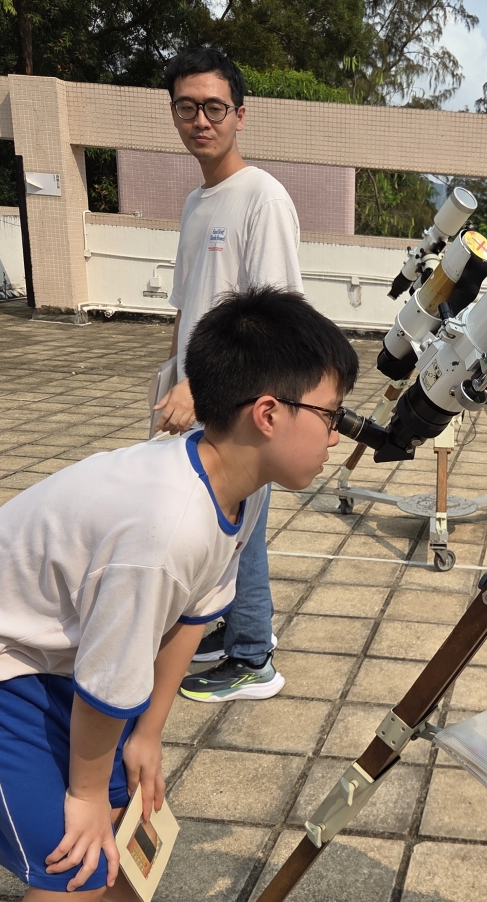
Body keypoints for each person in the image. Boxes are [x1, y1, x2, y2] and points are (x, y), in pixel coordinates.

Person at [0, 288, 358, 902]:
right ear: (268, 414)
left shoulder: (236, 487)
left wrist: (147, 733)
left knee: (122, 813)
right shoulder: (164, 524)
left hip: (52, 648)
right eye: (331, 415)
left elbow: (191, 617)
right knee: (71, 865)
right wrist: (84, 793)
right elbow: (108, 680)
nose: (338, 435)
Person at [153, 47, 304, 705]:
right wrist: (172, 374)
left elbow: (272, 315)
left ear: (240, 115)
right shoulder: (196, 201)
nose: (201, 121)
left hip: (241, 397)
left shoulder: (261, 197)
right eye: (187, 108)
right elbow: (188, 305)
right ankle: (223, 629)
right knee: (215, 525)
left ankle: (252, 658)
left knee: (240, 530)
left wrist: (205, 385)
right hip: (197, 394)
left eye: (214, 108)